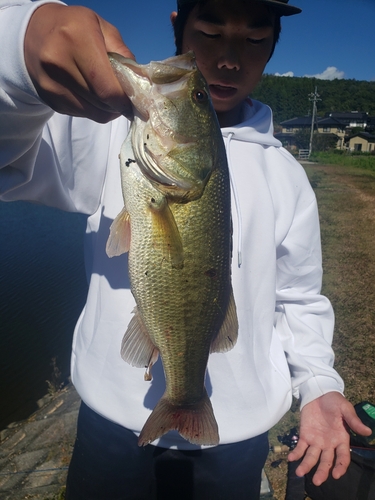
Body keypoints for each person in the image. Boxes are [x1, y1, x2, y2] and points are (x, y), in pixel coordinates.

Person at [0, 0, 371, 498]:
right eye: (211, 32)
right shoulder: (105, 129)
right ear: (180, 27)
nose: (228, 59)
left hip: (235, 432)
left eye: (255, 41)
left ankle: (187, 397)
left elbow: (299, 297)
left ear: (274, 47)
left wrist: (319, 383)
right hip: (111, 419)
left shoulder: (289, 177)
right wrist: (20, 44)